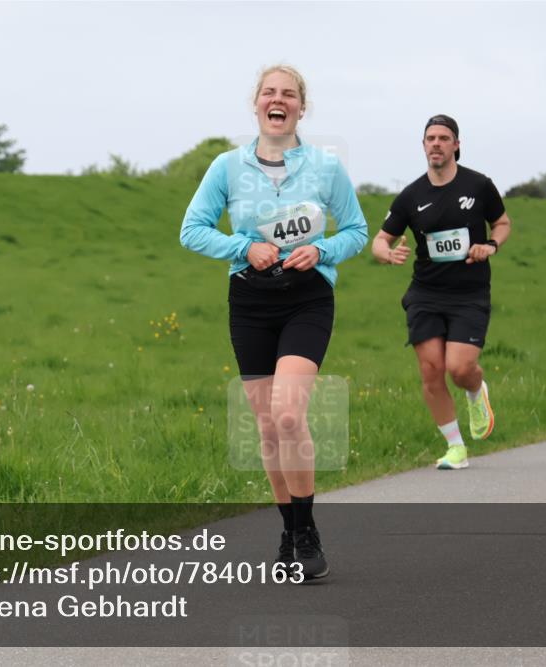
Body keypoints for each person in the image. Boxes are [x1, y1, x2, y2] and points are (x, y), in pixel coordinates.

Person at [180, 65, 368, 579]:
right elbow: (192, 229)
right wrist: (243, 247)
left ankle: (307, 533)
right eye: (269, 92)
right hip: (251, 302)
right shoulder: (227, 167)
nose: (277, 100)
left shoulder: (326, 167)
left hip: (307, 298)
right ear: (257, 104)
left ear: (301, 108)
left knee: (287, 415)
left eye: (288, 94)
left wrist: (322, 250)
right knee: (266, 427)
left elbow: (356, 229)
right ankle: (289, 529)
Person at [371, 115, 512, 470]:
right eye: (430, 138)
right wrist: (387, 254)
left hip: (469, 293)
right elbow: (380, 239)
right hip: (426, 293)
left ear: (456, 145)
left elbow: (502, 223)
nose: (436, 143)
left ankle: (476, 390)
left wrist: (491, 245)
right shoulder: (411, 195)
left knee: (460, 369)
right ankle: (455, 448)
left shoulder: (479, 185)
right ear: (423, 146)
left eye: (444, 138)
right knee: (431, 369)